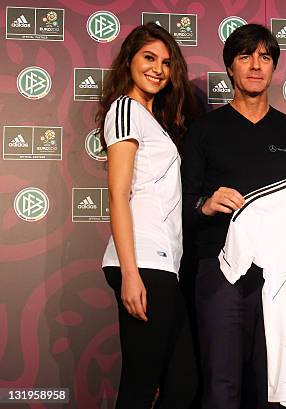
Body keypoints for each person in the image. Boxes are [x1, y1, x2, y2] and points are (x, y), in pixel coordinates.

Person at [181, 24, 286, 409]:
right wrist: (205, 204)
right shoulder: (203, 131)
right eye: (245, 57)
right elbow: (182, 205)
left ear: (273, 69)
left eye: (265, 58)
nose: (255, 66)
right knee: (221, 386)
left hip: (281, 275)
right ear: (230, 69)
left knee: (275, 386)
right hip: (219, 269)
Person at [97, 23, 198, 409]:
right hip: (142, 263)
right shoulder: (125, 109)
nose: (158, 68)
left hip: (162, 264)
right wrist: (130, 274)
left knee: (182, 380)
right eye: (149, 57)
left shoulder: (150, 118)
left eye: (166, 62)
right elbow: (118, 196)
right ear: (130, 61)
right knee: (141, 385)